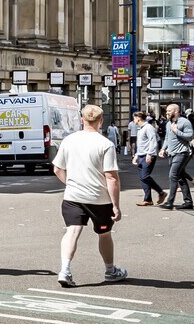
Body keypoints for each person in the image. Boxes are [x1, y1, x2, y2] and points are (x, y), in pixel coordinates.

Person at [52, 103, 126, 288]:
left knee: (72, 231)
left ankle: (65, 270)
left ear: (82, 120)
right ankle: (110, 271)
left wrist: (70, 183)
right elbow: (111, 177)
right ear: (101, 121)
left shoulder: (69, 140)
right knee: (104, 233)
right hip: (99, 199)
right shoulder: (105, 144)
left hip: (73, 197)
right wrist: (116, 206)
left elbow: (57, 169)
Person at [161, 103, 194, 210]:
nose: (167, 113)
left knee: (173, 175)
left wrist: (177, 131)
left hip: (182, 153)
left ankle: (169, 201)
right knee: (180, 177)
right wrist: (163, 149)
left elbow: (190, 136)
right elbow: (167, 138)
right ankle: (188, 202)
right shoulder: (168, 124)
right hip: (171, 153)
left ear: (176, 111)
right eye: (166, 111)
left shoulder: (185, 122)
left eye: (169, 111)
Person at [128, 110, 165, 206]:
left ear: (138, 118)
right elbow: (140, 145)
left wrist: (149, 155)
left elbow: (153, 141)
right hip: (141, 155)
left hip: (148, 155)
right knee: (142, 178)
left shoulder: (148, 128)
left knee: (145, 176)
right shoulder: (140, 129)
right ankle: (148, 199)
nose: (133, 121)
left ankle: (161, 192)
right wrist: (136, 156)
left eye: (134, 118)